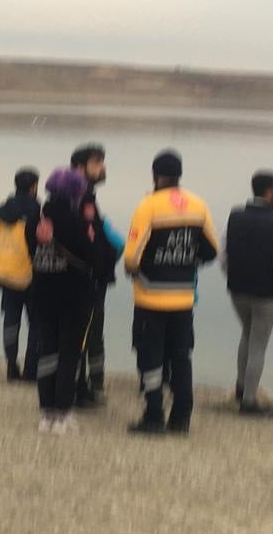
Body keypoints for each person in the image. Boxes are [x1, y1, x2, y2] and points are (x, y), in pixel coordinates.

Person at [125, 150, 219, 436]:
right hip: (183, 298)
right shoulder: (198, 205)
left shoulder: (148, 206)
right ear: (179, 175)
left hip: (150, 297)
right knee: (181, 356)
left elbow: (131, 257)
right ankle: (181, 417)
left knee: (150, 358)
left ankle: (154, 415)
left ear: (155, 175)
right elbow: (212, 249)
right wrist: (188, 262)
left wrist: (137, 272)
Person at [30, 166, 102, 433]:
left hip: (42, 294)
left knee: (47, 352)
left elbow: (30, 252)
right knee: (69, 354)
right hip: (74, 297)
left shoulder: (35, 221)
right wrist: (92, 235)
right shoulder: (77, 224)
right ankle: (63, 413)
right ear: (75, 193)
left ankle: (46, 413)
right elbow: (95, 258)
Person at [224, 170, 273, 415]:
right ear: (271, 191)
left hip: (238, 290)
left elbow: (223, 251)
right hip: (268, 292)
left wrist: (231, 275)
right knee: (258, 344)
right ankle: (249, 400)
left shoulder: (234, 216)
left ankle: (240, 386)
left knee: (247, 333)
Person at [71, 143, 122, 407]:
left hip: (88, 277)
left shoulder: (83, 196)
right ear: (80, 167)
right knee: (82, 331)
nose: (103, 168)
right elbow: (86, 240)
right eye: (97, 163)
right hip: (85, 279)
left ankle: (83, 385)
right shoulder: (80, 199)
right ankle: (78, 388)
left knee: (85, 331)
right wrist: (103, 261)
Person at [0, 167, 39, 382]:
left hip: (5, 272)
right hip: (29, 274)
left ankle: (11, 366)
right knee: (36, 322)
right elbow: (38, 244)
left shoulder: (0, 211)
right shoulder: (36, 210)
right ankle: (30, 369)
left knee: (11, 320)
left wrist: (1, 261)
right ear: (33, 187)